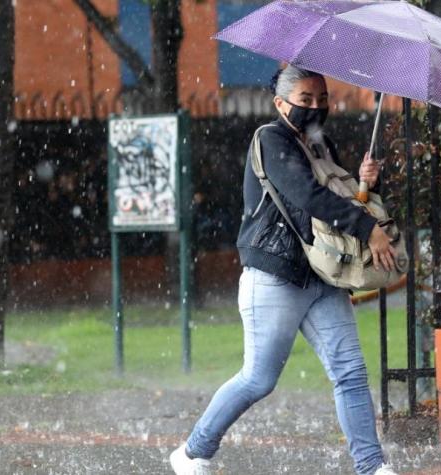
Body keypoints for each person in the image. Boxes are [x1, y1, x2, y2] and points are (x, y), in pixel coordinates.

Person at [169, 65, 399, 475]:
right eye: (305, 100)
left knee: (349, 371)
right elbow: (306, 195)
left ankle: (372, 467)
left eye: (322, 99)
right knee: (259, 379)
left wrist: (364, 184)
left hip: (322, 276)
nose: (315, 107)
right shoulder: (271, 139)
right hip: (275, 276)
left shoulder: (321, 143)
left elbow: (341, 201)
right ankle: (191, 452)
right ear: (280, 103)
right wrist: (369, 230)